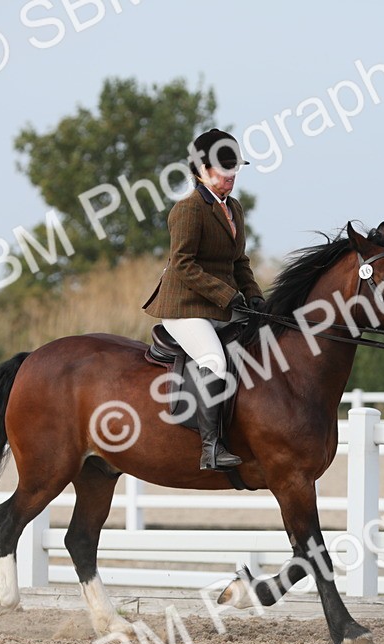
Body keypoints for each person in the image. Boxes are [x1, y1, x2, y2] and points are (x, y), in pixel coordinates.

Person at [142, 129, 265, 471]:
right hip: (184, 307)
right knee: (215, 360)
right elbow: (183, 265)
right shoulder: (189, 209)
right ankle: (211, 448)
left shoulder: (234, 208)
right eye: (223, 169)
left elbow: (239, 262)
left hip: (219, 305)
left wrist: (255, 298)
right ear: (200, 169)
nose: (231, 176)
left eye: (234, 169)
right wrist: (229, 296)